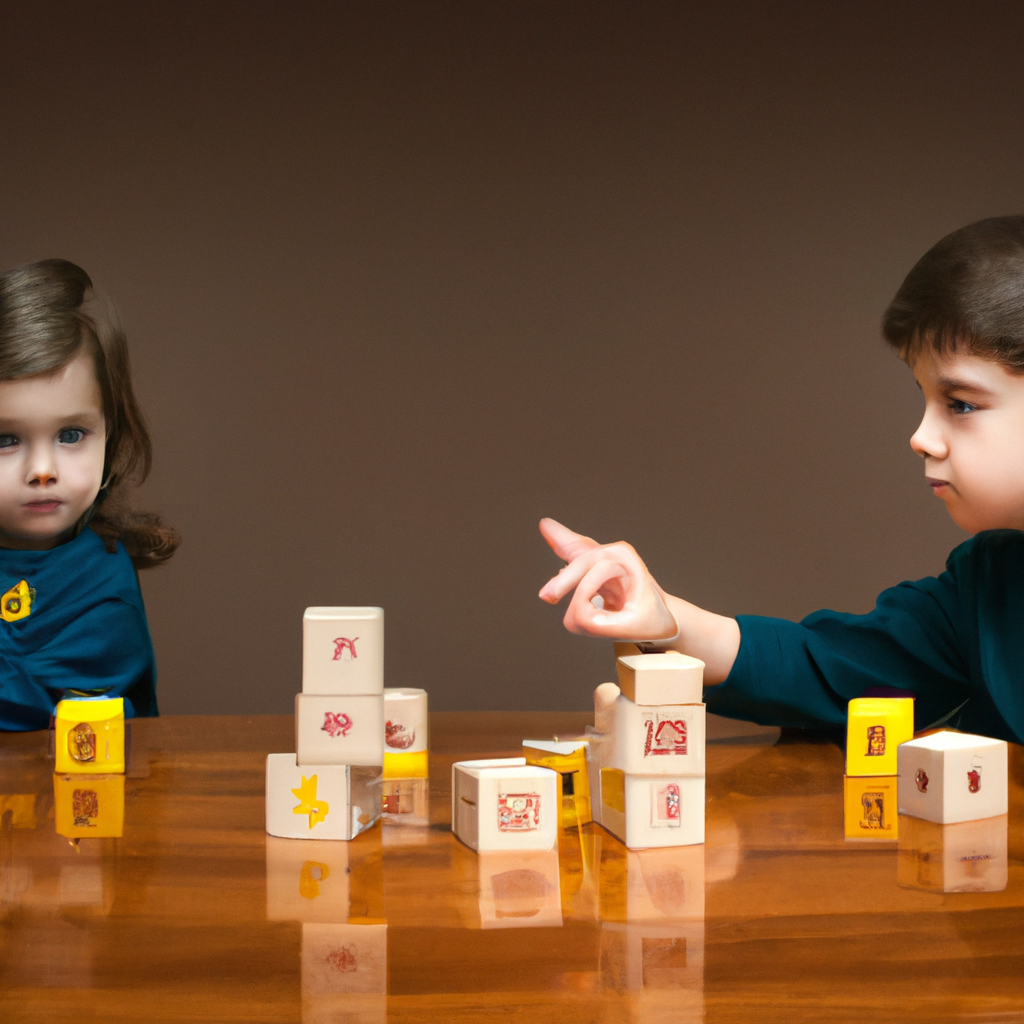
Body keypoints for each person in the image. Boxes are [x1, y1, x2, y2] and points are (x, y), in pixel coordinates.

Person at [539, 215, 1024, 745]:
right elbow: (833, 671)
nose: (921, 436)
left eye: (960, 403)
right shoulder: (989, 583)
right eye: (925, 397)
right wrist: (666, 618)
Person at [0, 259, 179, 730]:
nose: (42, 471)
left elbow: (38, 712)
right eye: (5, 440)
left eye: (71, 435)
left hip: (85, 793)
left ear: (111, 437)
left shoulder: (102, 585)